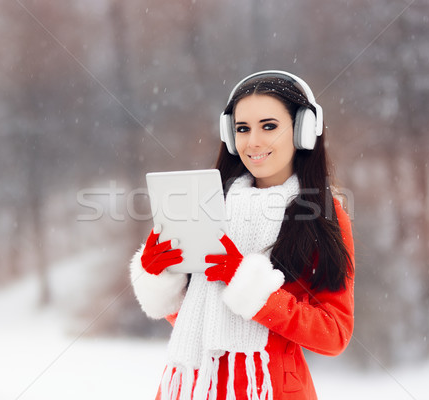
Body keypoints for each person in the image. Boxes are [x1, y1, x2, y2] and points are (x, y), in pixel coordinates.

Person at [129, 70, 355, 400]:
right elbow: (194, 318)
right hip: (191, 388)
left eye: (269, 126)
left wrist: (252, 289)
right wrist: (161, 274)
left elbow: (333, 333)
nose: (253, 142)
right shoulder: (207, 205)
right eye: (242, 129)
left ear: (303, 131)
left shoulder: (322, 215)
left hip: (269, 388)